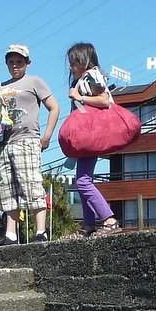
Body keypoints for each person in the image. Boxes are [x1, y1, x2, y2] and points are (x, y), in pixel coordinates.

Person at [0, 44, 60, 244]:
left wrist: (46, 137)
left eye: (19, 62)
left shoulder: (34, 81)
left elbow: (54, 107)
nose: (15, 66)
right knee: (7, 186)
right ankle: (10, 234)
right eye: (11, 62)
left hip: (27, 139)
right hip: (4, 141)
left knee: (31, 182)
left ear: (27, 63)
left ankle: (41, 231)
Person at [66, 42, 123, 238]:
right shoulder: (83, 79)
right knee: (82, 179)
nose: (71, 67)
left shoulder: (91, 75)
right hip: (87, 135)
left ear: (83, 61)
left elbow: (104, 100)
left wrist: (79, 97)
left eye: (73, 62)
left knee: (83, 182)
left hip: (93, 134)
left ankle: (109, 220)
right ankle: (89, 224)